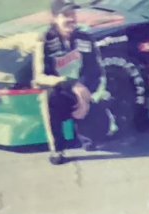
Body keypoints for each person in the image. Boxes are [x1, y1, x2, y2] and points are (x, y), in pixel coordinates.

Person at [33, 0, 111, 164]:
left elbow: (98, 72)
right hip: (62, 93)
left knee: (102, 134)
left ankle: (86, 135)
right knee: (48, 97)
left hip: (85, 94)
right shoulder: (45, 40)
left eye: (73, 14)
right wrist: (70, 83)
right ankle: (57, 149)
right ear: (55, 18)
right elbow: (39, 78)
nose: (71, 19)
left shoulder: (85, 38)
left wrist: (89, 100)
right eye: (65, 15)